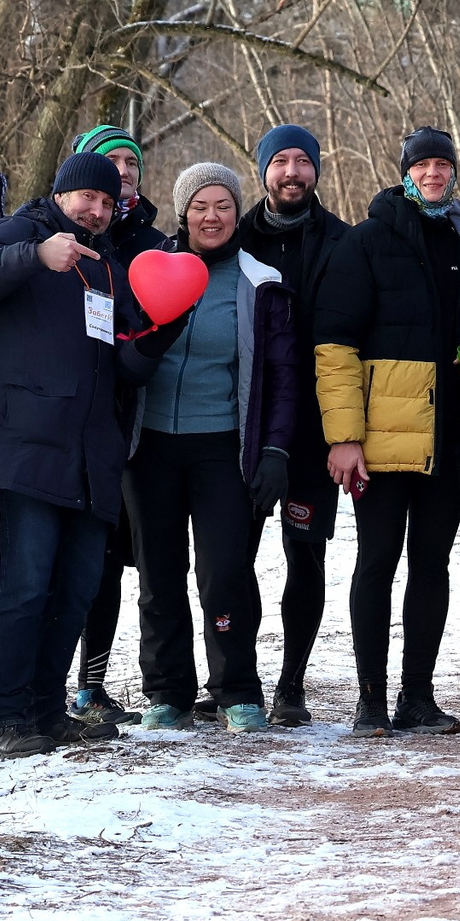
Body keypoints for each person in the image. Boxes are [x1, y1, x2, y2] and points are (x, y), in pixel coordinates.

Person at [0, 150, 175, 756]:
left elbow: (125, 361)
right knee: (26, 584)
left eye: (107, 203)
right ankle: (3, 715)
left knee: (77, 587)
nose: (97, 211)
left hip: (91, 452)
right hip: (28, 446)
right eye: (87, 199)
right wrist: (35, 254)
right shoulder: (21, 233)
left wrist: (164, 329)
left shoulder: (107, 265)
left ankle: (48, 711)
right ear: (60, 194)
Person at [316, 125, 460, 738]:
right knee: (377, 561)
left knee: (432, 566)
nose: (434, 174)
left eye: (444, 164)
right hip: (381, 436)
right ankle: (370, 700)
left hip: (450, 434)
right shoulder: (367, 241)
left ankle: (417, 696)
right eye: (423, 166)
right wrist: (344, 437)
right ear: (404, 173)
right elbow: (334, 348)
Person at [126, 163, 299, 732]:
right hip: (149, 447)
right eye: (200, 205)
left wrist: (275, 451)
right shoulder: (145, 273)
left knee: (224, 572)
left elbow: (280, 376)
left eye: (224, 205)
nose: (212, 216)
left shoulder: (259, 282)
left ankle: (236, 691)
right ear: (183, 212)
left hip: (223, 447)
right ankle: (167, 692)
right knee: (159, 573)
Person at [236, 121, 353, 724]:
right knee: (234, 557)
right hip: (250, 429)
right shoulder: (234, 235)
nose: (291, 172)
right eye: (279, 161)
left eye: (301, 162)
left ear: (315, 171)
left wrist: (347, 433)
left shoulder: (342, 241)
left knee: (305, 556)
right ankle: (236, 679)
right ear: (263, 172)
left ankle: (291, 684)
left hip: (313, 433)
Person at [68, 123, 163, 727]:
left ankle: (96, 683)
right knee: (83, 561)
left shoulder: (153, 242)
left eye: (131, 162)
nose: (123, 170)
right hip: (74, 421)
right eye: (111, 161)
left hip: (137, 421)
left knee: (122, 562)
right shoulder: (66, 239)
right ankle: (68, 684)